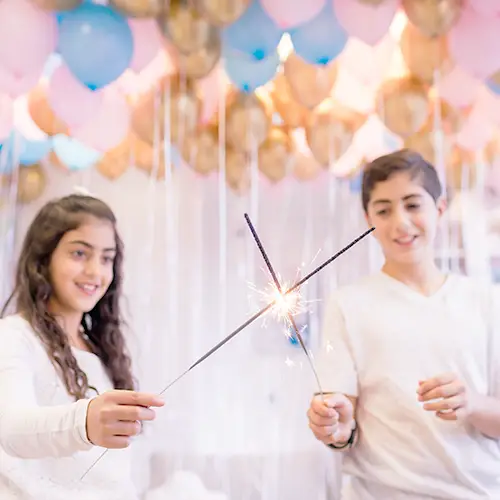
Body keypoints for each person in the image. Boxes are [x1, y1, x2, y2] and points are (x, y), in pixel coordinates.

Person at [307, 149, 500, 499]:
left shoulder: (488, 303)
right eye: (383, 210)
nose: (400, 222)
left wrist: (471, 402)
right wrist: (335, 424)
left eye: (413, 205)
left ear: (439, 210)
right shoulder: (348, 304)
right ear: (368, 220)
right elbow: (342, 426)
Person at [0, 194, 165, 500]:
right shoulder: (14, 336)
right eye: (79, 253)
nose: (94, 271)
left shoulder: (101, 351)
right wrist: (85, 421)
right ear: (42, 259)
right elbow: (11, 430)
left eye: (106, 258)